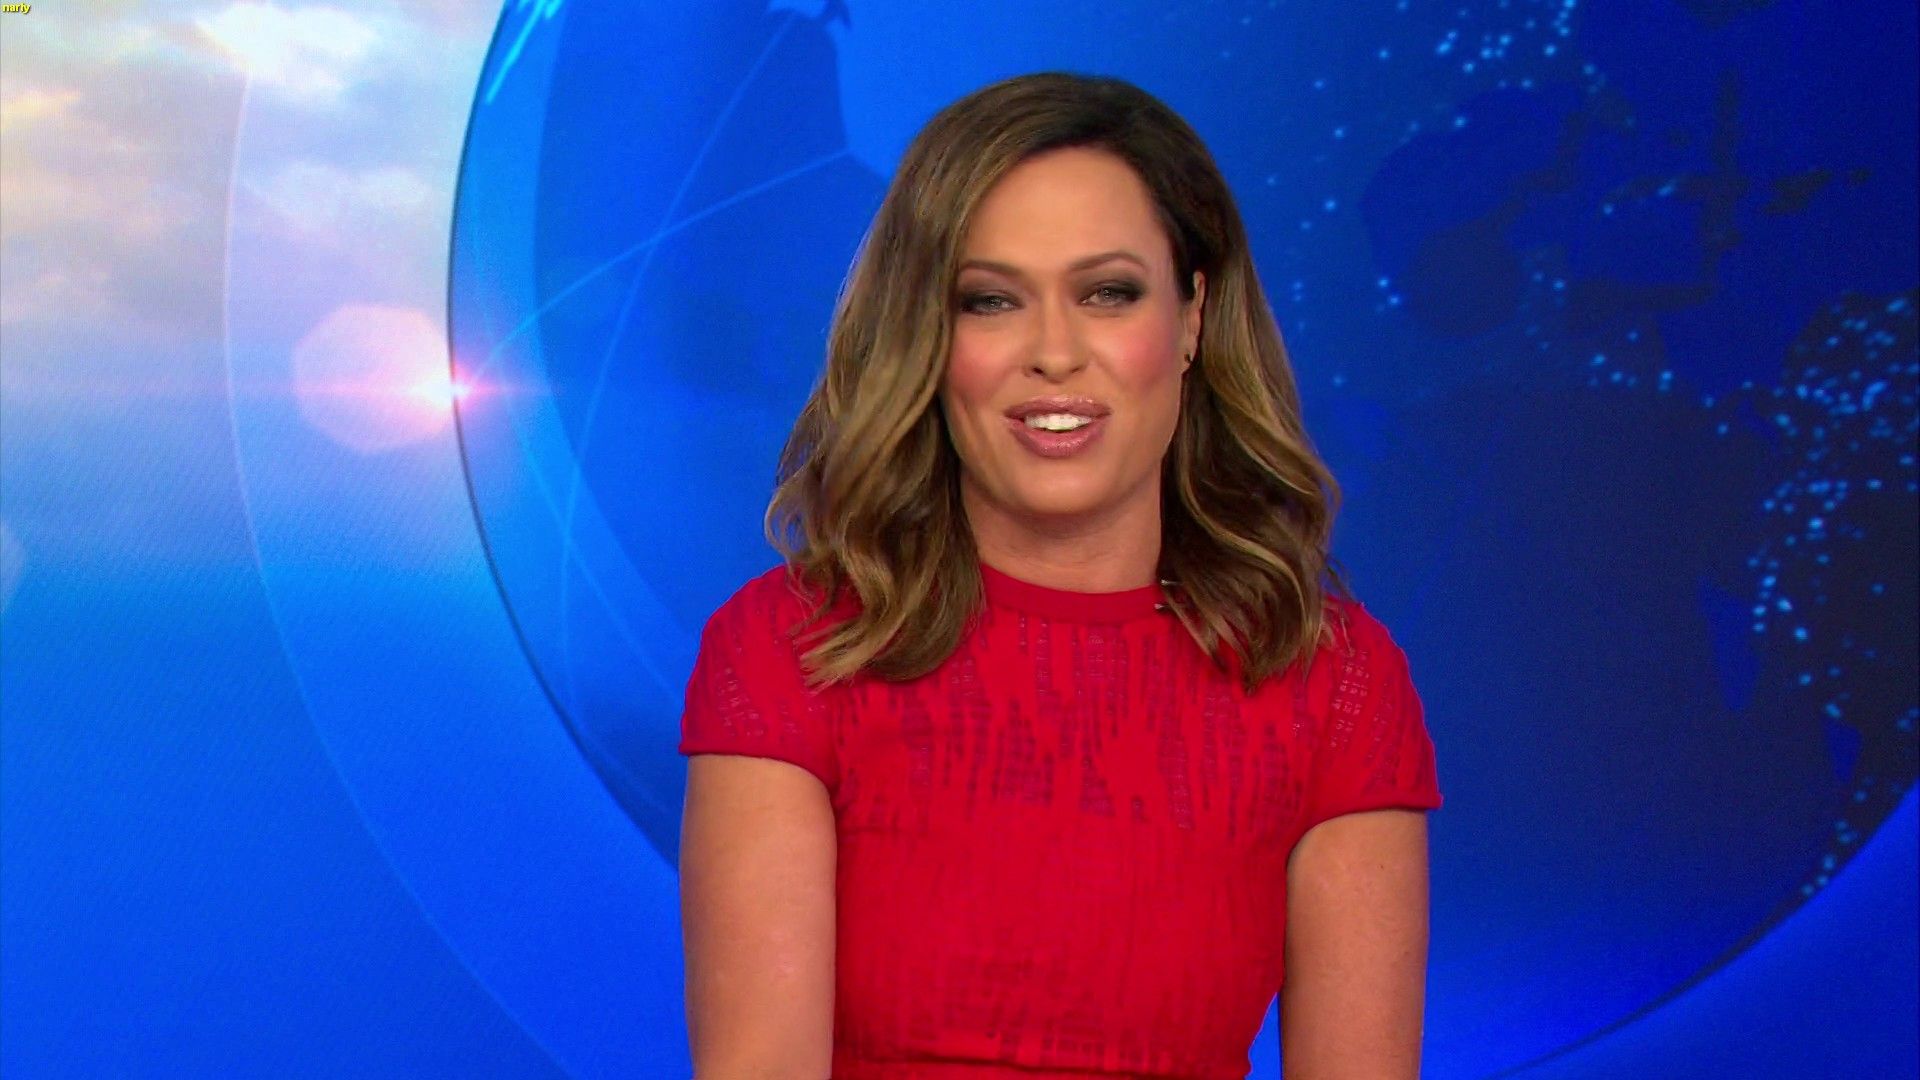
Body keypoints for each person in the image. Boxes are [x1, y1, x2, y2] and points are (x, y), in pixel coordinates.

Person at [677, 70, 1443, 1080]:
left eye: (1108, 293)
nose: (1052, 353)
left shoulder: (1334, 679)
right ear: (928, 336)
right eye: (990, 301)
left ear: (1193, 316)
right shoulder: (789, 650)